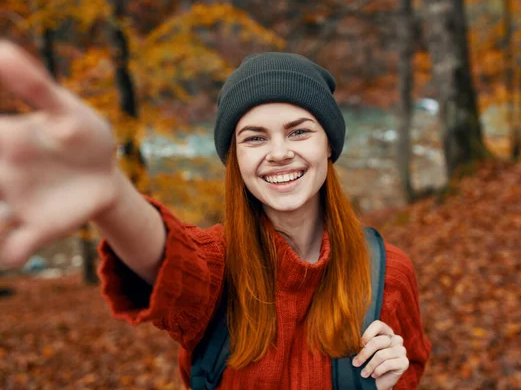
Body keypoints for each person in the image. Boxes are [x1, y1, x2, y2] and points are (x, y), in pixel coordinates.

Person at [0, 41, 431, 389]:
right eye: (254, 138)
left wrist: (391, 384)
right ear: (235, 159)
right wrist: (111, 193)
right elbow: (167, 257)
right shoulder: (215, 268)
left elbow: (412, 369)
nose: (279, 153)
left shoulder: (388, 273)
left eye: (299, 131)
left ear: (329, 145)